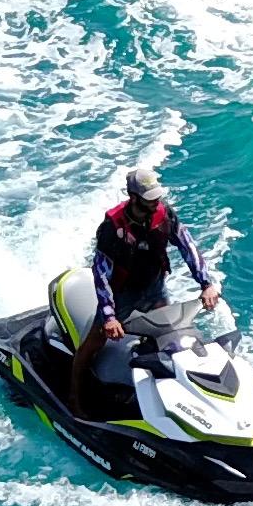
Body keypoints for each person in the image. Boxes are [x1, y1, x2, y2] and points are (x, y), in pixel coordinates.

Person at [71, 168, 220, 395]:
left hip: (154, 288)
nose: (156, 202)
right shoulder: (113, 227)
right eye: (150, 199)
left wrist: (206, 283)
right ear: (133, 198)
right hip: (122, 293)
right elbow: (101, 275)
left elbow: (187, 246)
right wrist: (109, 317)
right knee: (93, 344)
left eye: (157, 197)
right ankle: (75, 396)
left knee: (172, 341)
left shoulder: (165, 214)